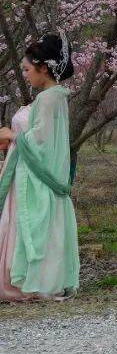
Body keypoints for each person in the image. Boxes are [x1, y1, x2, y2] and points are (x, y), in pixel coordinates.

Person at [0, 33, 80, 301]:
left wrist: (12, 136)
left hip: (34, 177)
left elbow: (41, 142)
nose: (25, 74)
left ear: (43, 67)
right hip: (24, 173)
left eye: (26, 69)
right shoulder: (50, 97)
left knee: (31, 227)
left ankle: (34, 282)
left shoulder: (49, 98)